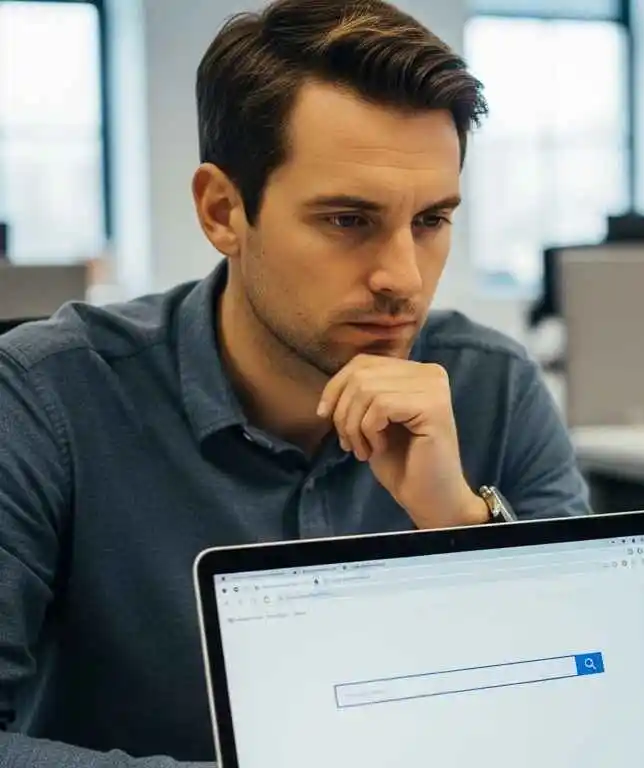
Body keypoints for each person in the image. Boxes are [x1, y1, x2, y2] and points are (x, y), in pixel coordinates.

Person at [0, 1, 589, 764]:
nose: (402, 280)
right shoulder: (50, 401)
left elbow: (592, 704)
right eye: (348, 220)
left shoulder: (492, 387)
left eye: (432, 220)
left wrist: (458, 521)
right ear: (222, 211)